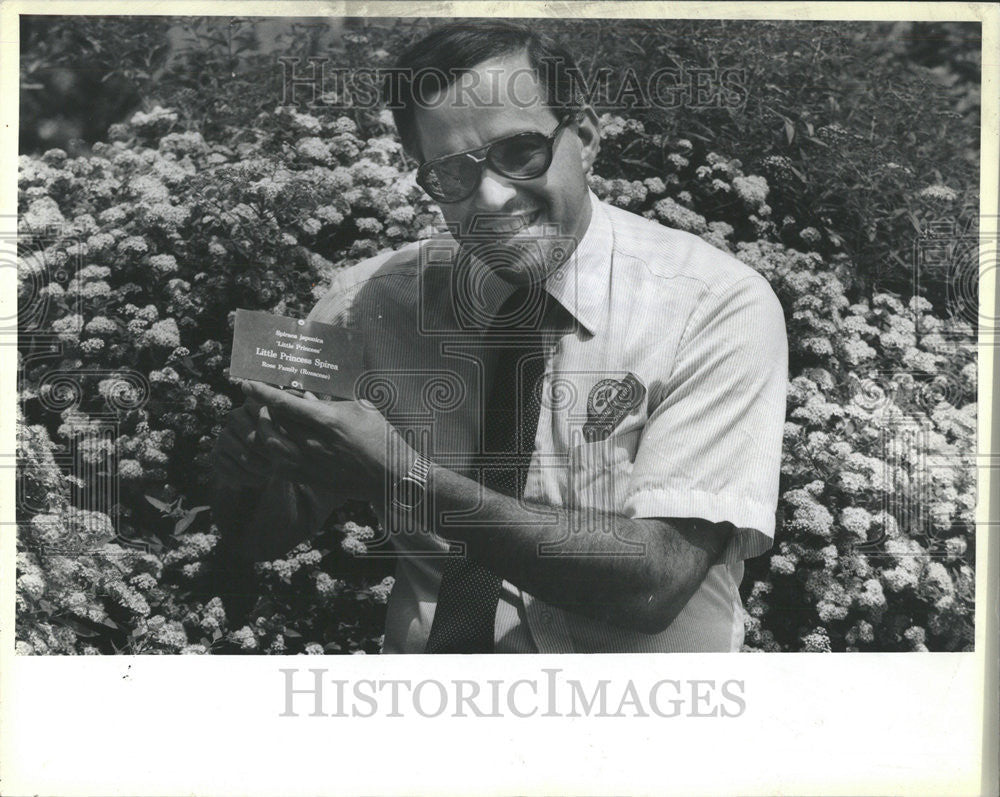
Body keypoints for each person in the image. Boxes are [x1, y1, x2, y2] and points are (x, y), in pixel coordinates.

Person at [211, 21, 788, 653]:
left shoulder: (713, 302)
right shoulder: (362, 305)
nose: (491, 197)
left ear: (587, 137)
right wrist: (253, 465)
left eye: (519, 152)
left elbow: (654, 583)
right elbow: (264, 536)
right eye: (451, 175)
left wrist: (401, 478)